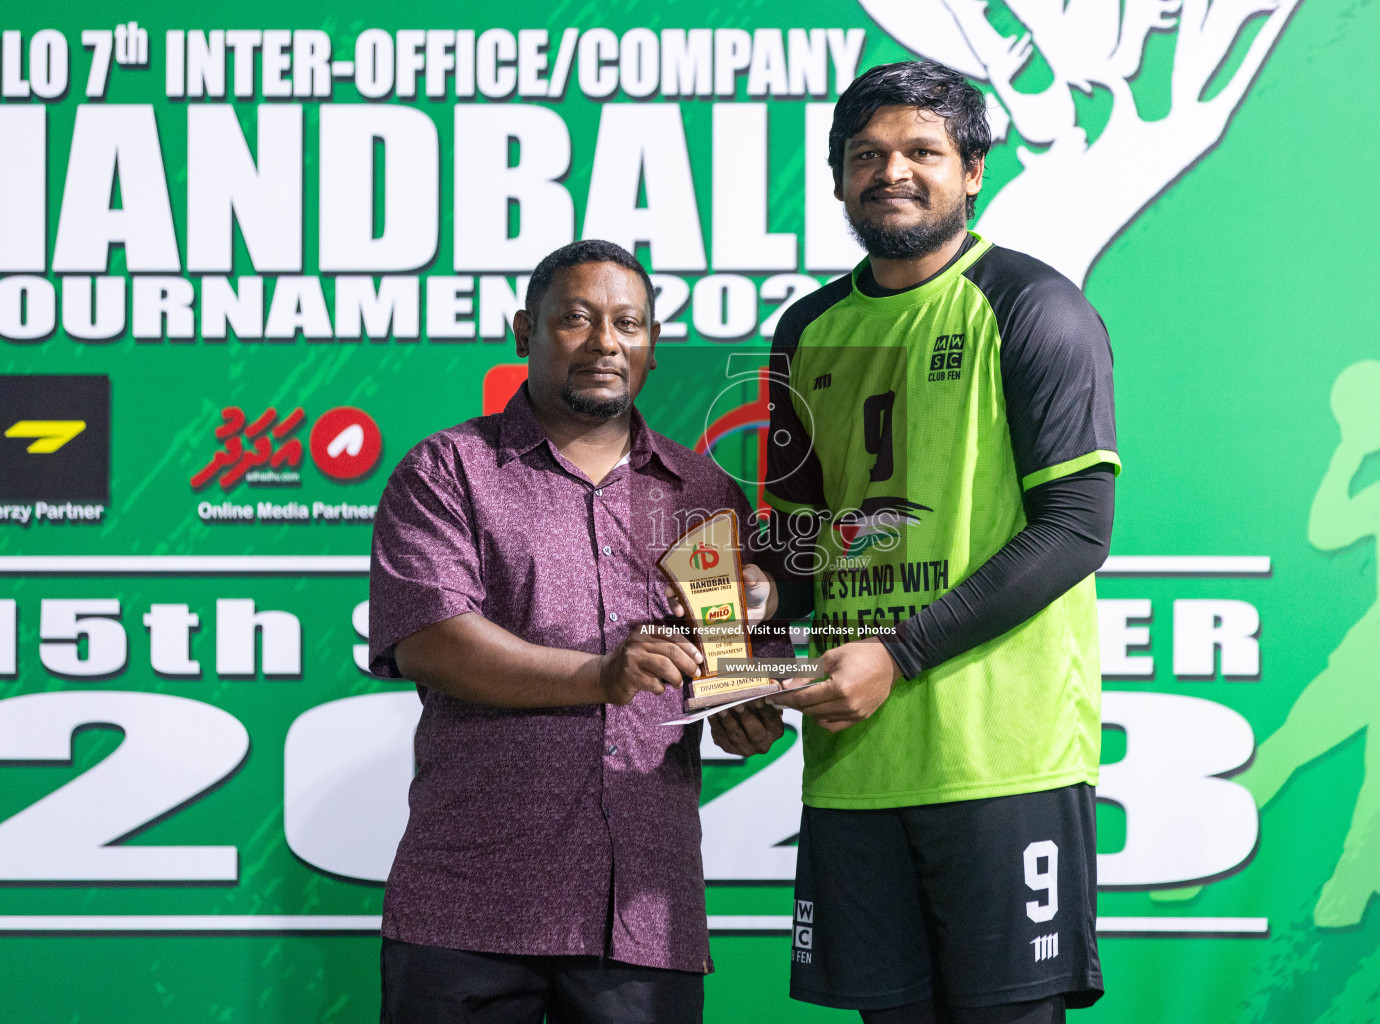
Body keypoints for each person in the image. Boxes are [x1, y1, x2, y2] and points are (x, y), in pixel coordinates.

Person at [710, 61, 1119, 1023]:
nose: (892, 172)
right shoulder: (807, 328)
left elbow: (1077, 529)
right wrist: (741, 665)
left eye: (922, 151)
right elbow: (798, 549)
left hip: (1000, 760)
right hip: (856, 764)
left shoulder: (1033, 307)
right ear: (839, 176)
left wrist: (898, 652)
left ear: (972, 169)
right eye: (867, 155)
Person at [367, 239, 781, 1024]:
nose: (604, 342)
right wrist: (601, 676)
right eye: (576, 319)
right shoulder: (448, 470)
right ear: (525, 331)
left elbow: (729, 656)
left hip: (642, 917)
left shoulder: (705, 491)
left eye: (629, 323)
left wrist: (742, 703)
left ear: (653, 350)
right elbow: (432, 638)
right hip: (470, 906)